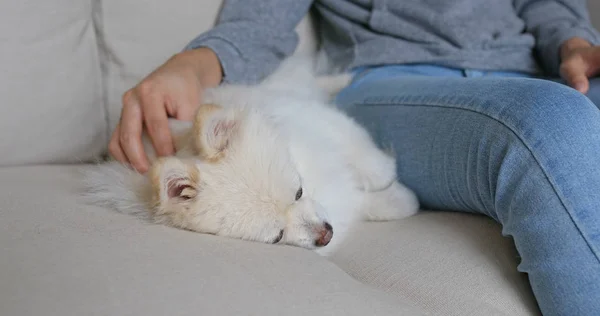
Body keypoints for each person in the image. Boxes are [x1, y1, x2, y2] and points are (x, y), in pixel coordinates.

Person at [109, 1, 600, 315]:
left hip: (540, 70)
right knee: (553, 121)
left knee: (560, 106)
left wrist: (576, 42)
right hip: (398, 80)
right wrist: (190, 66)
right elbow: (259, 21)